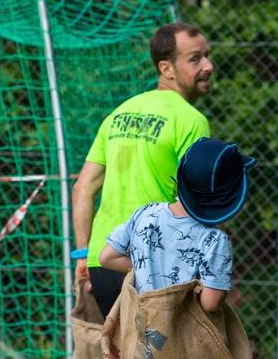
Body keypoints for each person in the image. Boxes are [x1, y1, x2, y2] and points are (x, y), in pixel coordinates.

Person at [70, 22, 215, 318]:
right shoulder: (191, 120)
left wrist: (83, 255)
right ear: (166, 68)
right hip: (154, 264)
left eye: (207, 56)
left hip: (102, 263)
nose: (209, 66)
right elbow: (199, 202)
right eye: (195, 58)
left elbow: (82, 187)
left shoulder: (118, 114)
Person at [97, 137, 254, 313]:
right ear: (230, 197)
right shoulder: (214, 240)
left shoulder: (147, 213)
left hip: (141, 330)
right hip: (184, 336)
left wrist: (148, 269)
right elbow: (210, 304)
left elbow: (107, 257)